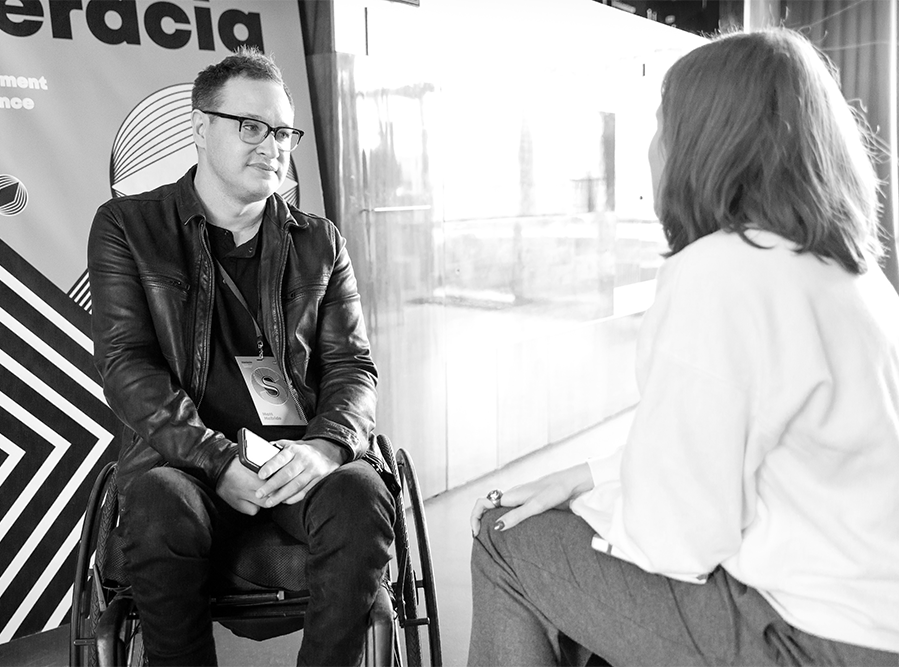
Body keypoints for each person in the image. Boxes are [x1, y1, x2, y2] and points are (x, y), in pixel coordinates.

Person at [468, 28, 899, 667]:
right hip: (875, 619)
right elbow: (743, 449)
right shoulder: (848, 274)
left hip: (812, 641)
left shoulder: (722, 270)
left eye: (660, 124)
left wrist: (588, 505)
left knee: (505, 539)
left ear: (704, 143)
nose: (651, 147)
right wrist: (587, 477)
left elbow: (676, 536)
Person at [87, 47, 396, 667]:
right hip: (186, 465)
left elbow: (352, 368)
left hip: (297, 461)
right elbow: (126, 365)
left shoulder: (320, 241)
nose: (272, 146)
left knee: (360, 495)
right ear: (200, 127)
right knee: (156, 503)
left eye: (283, 132)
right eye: (251, 126)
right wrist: (217, 459)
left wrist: (325, 448)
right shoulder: (128, 226)